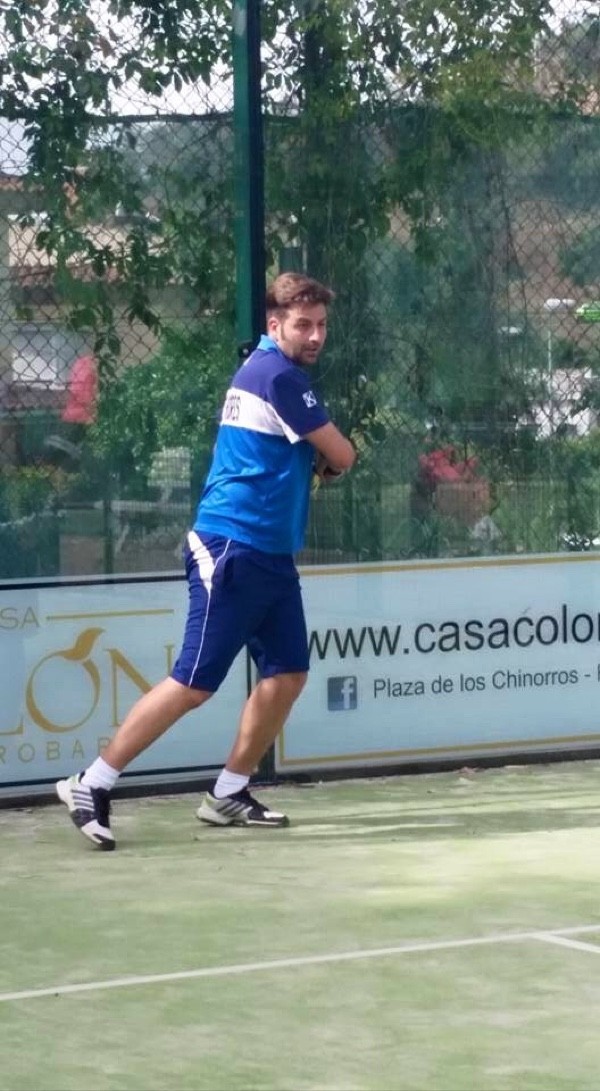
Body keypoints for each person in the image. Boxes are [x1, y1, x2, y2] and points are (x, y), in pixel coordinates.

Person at [56, 272, 356, 849]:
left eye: (322, 325)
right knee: (194, 683)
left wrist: (322, 461)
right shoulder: (277, 375)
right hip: (232, 547)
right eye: (303, 325)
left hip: (269, 554)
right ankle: (91, 783)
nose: (316, 335)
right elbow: (342, 455)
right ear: (275, 325)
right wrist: (332, 459)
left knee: (287, 674)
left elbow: (316, 458)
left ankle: (228, 792)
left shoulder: (270, 372)